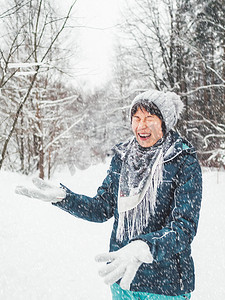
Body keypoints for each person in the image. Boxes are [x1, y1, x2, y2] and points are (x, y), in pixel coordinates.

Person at [16, 89, 202, 300]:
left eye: (150, 118)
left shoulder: (182, 160)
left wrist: (145, 246)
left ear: (164, 122)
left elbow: (183, 228)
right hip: (122, 280)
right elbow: (102, 207)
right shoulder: (123, 157)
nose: (141, 125)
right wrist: (65, 198)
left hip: (166, 285)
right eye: (137, 118)